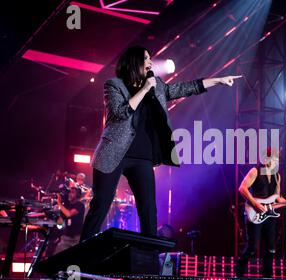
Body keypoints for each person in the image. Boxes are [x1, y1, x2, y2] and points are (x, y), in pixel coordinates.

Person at [80, 45, 241, 241]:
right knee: (100, 205)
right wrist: (145, 89)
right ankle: (79, 259)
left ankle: (149, 262)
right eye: (146, 58)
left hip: (142, 157)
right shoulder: (114, 85)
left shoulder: (157, 86)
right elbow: (120, 113)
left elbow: (184, 88)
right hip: (113, 153)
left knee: (149, 211)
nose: (150, 62)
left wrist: (218, 81)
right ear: (134, 62)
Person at [236, 148, 286, 278]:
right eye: (274, 159)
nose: (276, 162)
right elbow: (242, 188)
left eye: (277, 160)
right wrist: (255, 204)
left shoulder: (277, 176)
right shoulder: (255, 171)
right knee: (252, 247)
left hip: (270, 215)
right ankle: (239, 275)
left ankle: (267, 279)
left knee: (271, 249)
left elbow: (277, 197)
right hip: (255, 212)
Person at [54, 187, 85, 254]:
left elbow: (69, 214)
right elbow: (60, 224)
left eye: (72, 192)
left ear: (78, 195)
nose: (69, 194)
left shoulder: (80, 205)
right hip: (66, 238)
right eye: (69, 192)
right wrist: (55, 215)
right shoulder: (66, 206)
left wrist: (59, 204)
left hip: (76, 239)